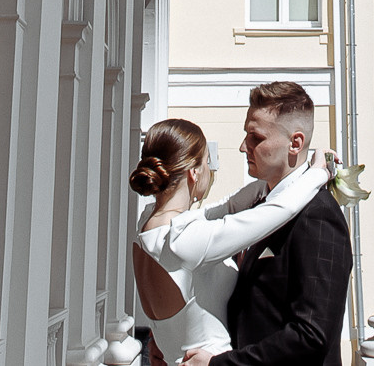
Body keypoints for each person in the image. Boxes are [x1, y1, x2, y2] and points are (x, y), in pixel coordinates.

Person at [128, 111, 332, 366]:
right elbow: (279, 211)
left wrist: (272, 180)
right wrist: (318, 173)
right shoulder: (186, 241)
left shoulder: (148, 226)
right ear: (194, 173)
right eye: (206, 162)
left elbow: (226, 207)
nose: (210, 169)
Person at [175, 81, 352, 366]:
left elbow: (312, 335)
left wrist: (219, 365)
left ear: (295, 143)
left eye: (256, 137)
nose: (244, 146)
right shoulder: (261, 206)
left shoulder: (318, 215)